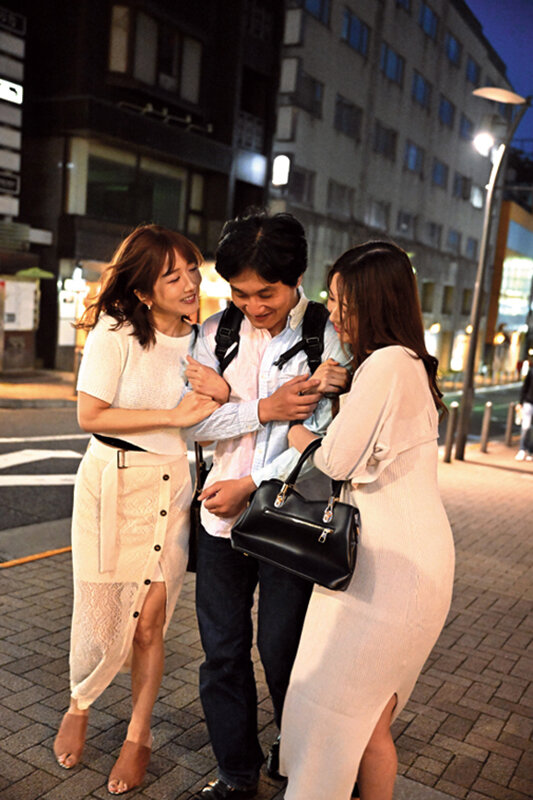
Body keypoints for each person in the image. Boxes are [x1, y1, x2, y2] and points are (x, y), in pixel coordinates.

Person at [182, 210, 350, 800]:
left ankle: (299, 758)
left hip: (290, 520)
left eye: (266, 294)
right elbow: (191, 425)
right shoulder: (214, 333)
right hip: (218, 518)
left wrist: (251, 480)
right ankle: (236, 772)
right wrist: (262, 408)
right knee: (222, 654)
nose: (252, 305)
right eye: (239, 292)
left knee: (285, 652)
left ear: (296, 278)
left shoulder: (326, 336)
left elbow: (325, 442)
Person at [53, 224, 225, 795]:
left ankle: (138, 733)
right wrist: (172, 416)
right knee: (100, 611)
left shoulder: (204, 341)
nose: (190, 284)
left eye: (192, 269)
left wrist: (222, 396)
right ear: (144, 290)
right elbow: (90, 415)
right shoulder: (116, 331)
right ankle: (80, 701)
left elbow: (212, 416)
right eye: (172, 276)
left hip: (170, 488)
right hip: (111, 485)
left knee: (151, 621)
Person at [280, 241, 455, 800]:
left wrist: (299, 435)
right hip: (405, 561)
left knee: (335, 713)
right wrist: (343, 390)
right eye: (331, 299)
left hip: (389, 571)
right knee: (367, 723)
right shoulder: (406, 363)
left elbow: (336, 461)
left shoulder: (385, 364)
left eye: (342, 301)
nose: (333, 312)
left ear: (374, 301)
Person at [515, 359, 533, 461]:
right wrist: (520, 403)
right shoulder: (531, 371)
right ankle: (522, 449)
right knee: (526, 427)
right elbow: (525, 387)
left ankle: (530, 451)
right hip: (528, 402)